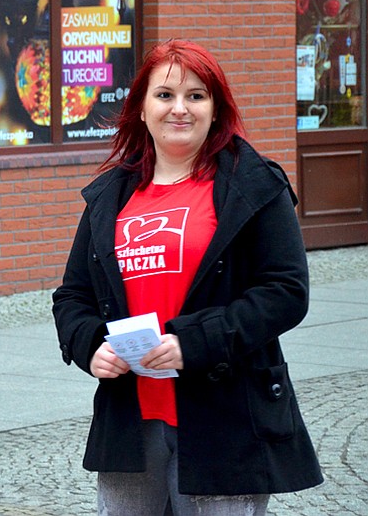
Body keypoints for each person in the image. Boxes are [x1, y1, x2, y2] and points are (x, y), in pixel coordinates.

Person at [52, 39, 323, 516]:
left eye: (196, 96)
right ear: (140, 108)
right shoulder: (110, 195)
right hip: (130, 421)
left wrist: (192, 343)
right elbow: (73, 294)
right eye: (165, 95)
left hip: (225, 420)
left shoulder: (253, 185)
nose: (180, 109)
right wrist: (89, 344)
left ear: (216, 109)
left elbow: (286, 291)